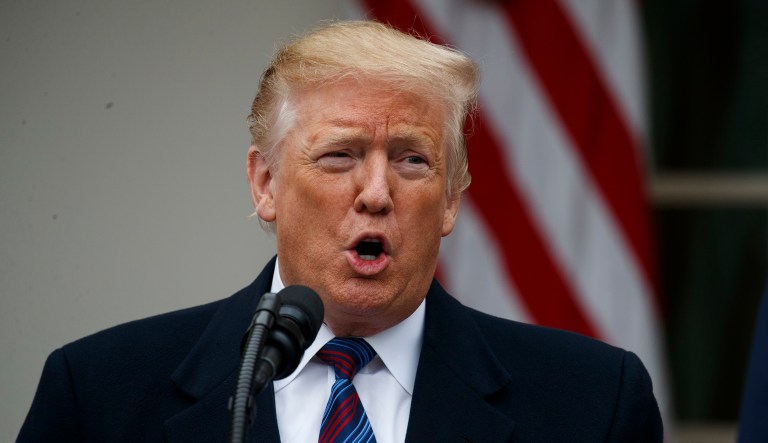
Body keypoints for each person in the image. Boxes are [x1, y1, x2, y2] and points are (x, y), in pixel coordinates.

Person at [18, 20, 662, 442]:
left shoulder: (593, 405)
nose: (377, 193)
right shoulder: (98, 395)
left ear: (450, 198)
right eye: (339, 155)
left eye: (413, 159)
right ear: (265, 184)